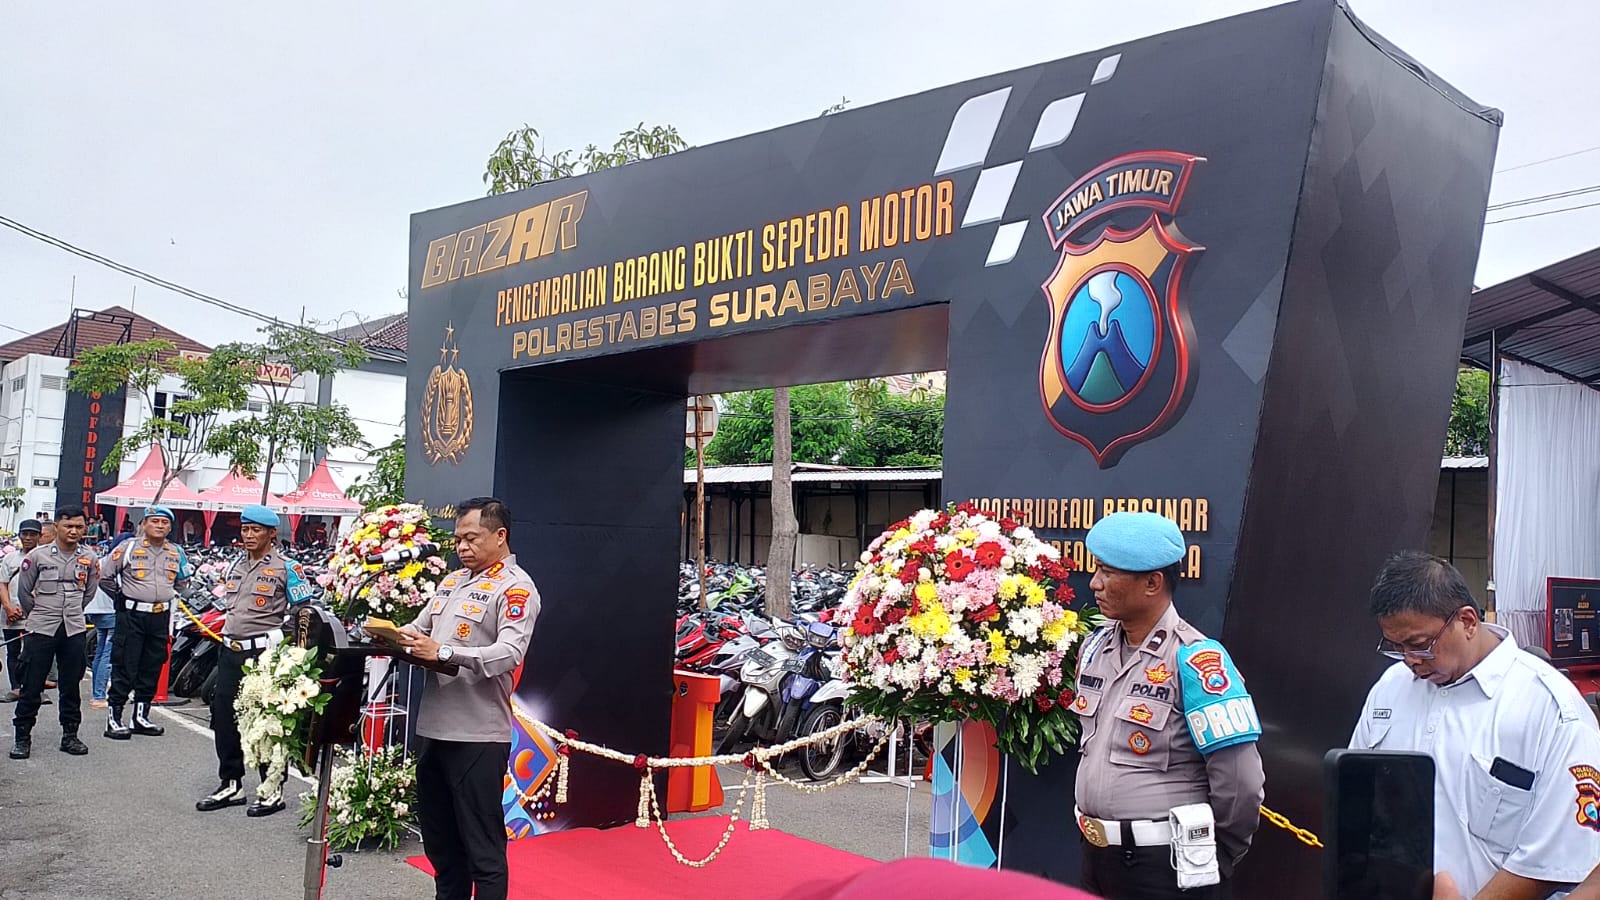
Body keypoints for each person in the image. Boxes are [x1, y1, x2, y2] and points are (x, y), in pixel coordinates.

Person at [1351, 551, 1600, 899]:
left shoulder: (1551, 710)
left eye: (1419, 646)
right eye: (1395, 647)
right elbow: (1358, 799)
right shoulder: (1390, 688)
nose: (1409, 661)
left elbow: (1554, 860)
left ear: (1467, 621)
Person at [1071, 512, 1264, 900]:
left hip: (1165, 864)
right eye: (1097, 569)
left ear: (1152, 583)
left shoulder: (1196, 660)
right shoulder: (1094, 648)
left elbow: (1240, 780)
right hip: (1097, 856)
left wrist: (1220, 851)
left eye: (1108, 572)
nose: (1095, 583)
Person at [399, 497, 539, 900]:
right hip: (433, 731)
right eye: (458, 539)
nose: (462, 547)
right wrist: (390, 635)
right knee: (442, 848)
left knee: (483, 851)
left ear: (500, 535)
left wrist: (445, 653)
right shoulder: (452, 582)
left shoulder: (516, 588)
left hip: (477, 737)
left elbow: (509, 653)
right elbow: (418, 629)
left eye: (471, 538)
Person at [196, 504, 311, 815]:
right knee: (224, 716)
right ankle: (231, 783)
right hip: (230, 651)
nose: (248, 535)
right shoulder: (236, 564)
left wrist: (290, 652)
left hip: (263, 655)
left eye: (255, 530)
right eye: (245, 529)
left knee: (265, 721)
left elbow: (304, 612)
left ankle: (271, 788)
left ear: (271, 533)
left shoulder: (288, 568)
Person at [9, 506, 97, 759]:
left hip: (73, 628)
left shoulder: (89, 558)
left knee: (70, 685)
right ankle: (22, 737)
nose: (74, 531)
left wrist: (72, 611)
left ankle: (70, 735)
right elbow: (25, 593)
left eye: (79, 527)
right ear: (56, 526)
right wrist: (40, 614)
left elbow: (89, 592)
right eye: (68, 526)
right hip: (41, 628)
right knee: (31, 684)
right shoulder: (38, 556)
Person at [100, 505, 193, 739]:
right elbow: (105, 577)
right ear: (144, 524)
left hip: (160, 616)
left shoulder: (176, 552)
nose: (159, 526)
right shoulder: (128, 547)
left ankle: (141, 717)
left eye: (164, 523)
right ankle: (115, 718)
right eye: (154, 521)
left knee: (152, 666)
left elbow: (182, 582)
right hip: (132, 616)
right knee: (125, 666)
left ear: (170, 527)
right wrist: (123, 599)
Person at [0, 519, 43, 703]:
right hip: (11, 613)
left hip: (36, 612)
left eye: (32, 534)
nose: (28, 538)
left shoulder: (45, 557)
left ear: (40, 536)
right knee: (13, 651)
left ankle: (33, 688)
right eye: (25, 534)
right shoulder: (9, 559)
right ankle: (16, 688)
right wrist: (8, 607)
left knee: (34, 652)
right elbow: (2, 584)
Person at [84, 581, 116, 710]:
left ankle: (97, 694)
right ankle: (99, 696)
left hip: (92, 607)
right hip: (110, 608)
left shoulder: (95, 566)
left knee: (100, 652)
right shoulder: (113, 567)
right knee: (108, 654)